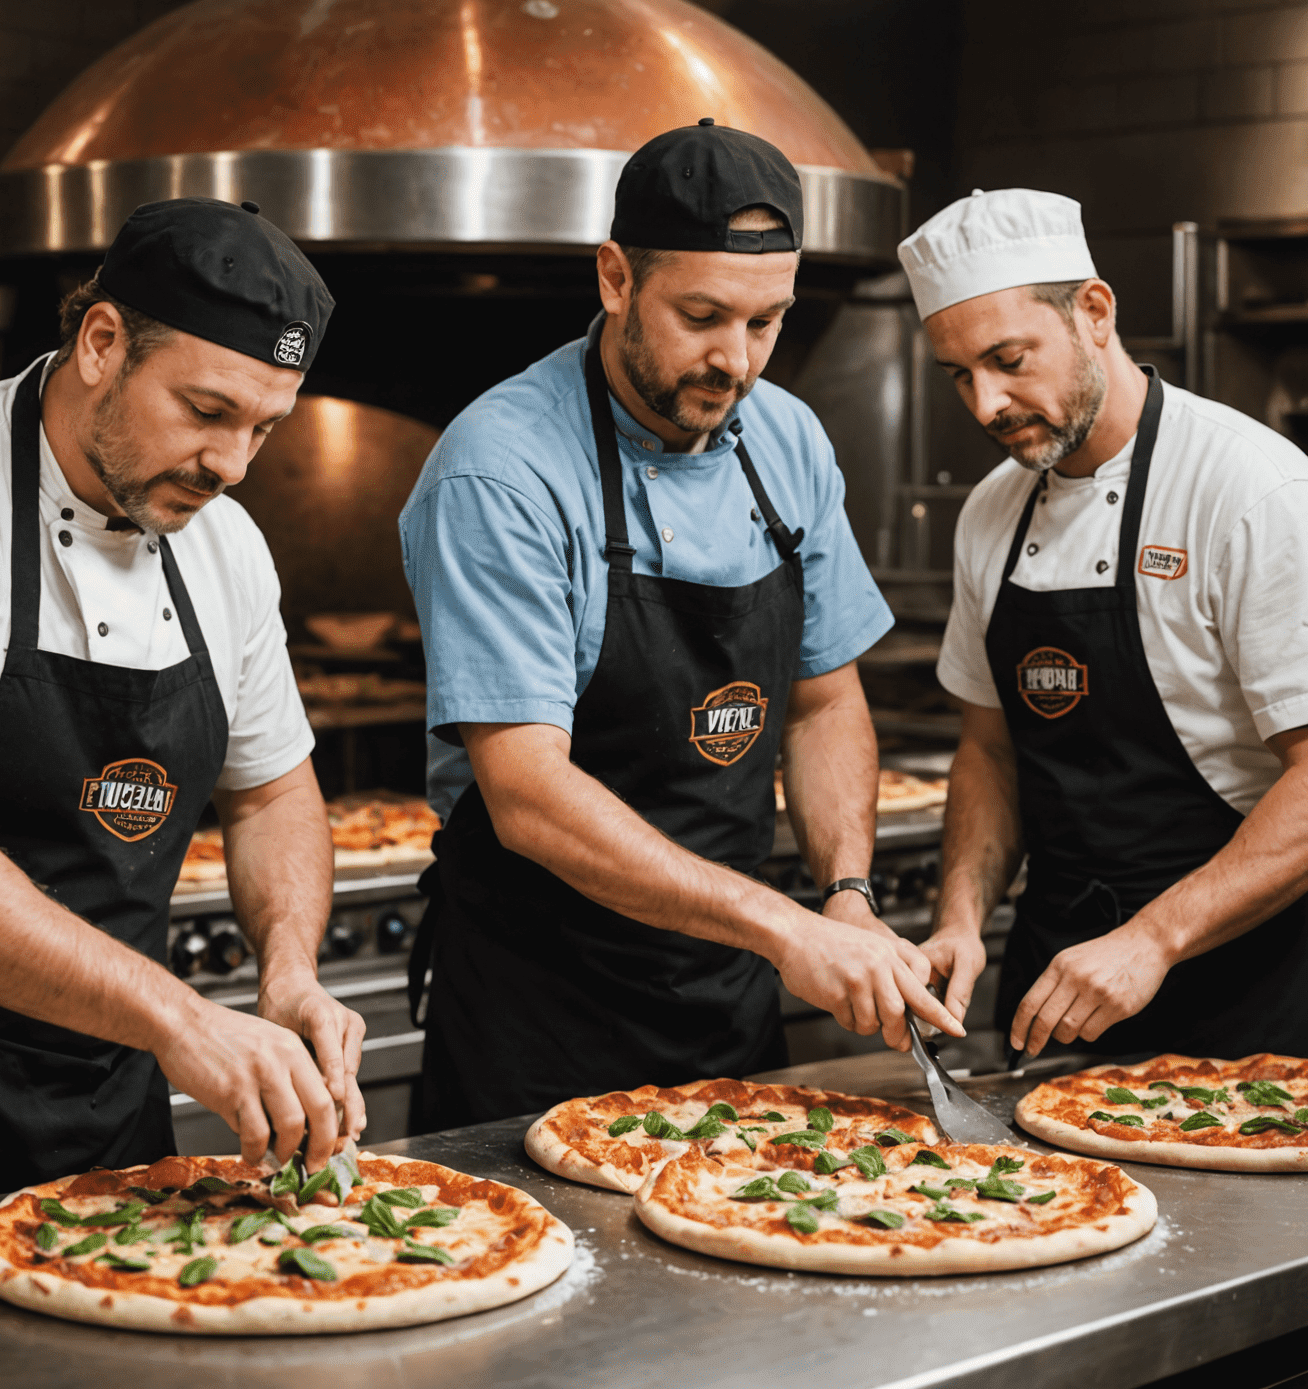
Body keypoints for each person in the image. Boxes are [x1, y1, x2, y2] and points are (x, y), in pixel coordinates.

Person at [0, 197, 366, 1232]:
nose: (231, 466)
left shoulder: (225, 548)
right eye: (207, 411)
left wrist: (289, 973)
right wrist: (179, 1015)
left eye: (263, 429)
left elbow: (273, 791)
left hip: (103, 1114)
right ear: (101, 343)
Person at [399, 119, 963, 1132]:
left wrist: (843, 893)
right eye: (701, 316)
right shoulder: (502, 469)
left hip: (727, 995)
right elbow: (527, 793)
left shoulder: (786, 439)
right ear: (615, 278)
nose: (734, 362)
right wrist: (781, 927)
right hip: (539, 1012)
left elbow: (824, 703)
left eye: (765, 323)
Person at [902, 188, 1308, 1061]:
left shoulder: (1251, 490)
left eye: (1010, 359)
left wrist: (1153, 940)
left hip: (1247, 990)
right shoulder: (990, 512)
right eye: (960, 375)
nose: (986, 404)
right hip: (1058, 979)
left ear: (1094, 312)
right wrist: (961, 919)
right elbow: (990, 748)